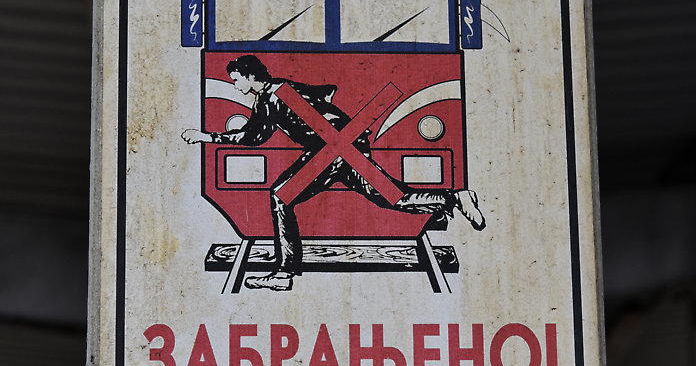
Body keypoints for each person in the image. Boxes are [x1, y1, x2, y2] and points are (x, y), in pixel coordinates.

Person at [182, 54, 484, 290]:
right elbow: (265, 130)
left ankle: (284, 273)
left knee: (281, 197)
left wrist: (207, 137)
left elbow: (262, 133)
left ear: (250, 76)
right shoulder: (274, 94)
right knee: (394, 198)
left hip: (335, 153)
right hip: (339, 150)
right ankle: (454, 198)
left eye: (237, 79)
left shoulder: (276, 96)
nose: (235, 85)